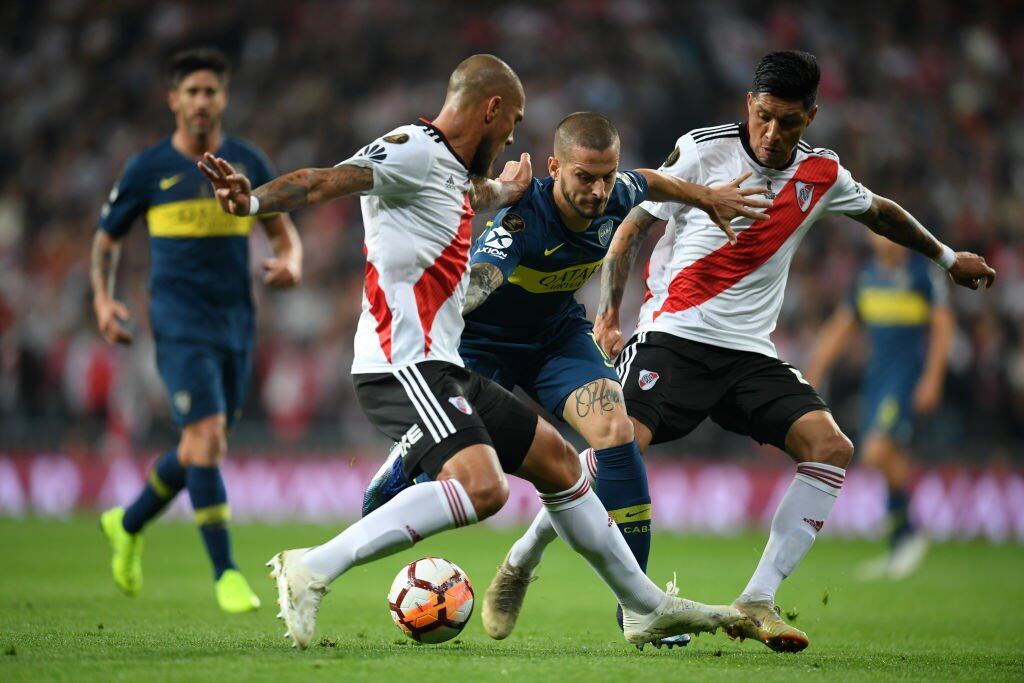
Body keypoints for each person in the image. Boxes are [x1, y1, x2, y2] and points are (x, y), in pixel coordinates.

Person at [201, 54, 743, 650]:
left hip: (448, 365)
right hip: (405, 364)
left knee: (560, 465)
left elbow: (477, 191)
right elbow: (326, 179)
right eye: (511, 121)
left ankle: (645, 607)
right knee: (486, 490)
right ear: (491, 110)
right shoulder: (409, 147)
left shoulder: (453, 169)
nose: (513, 134)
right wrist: (251, 203)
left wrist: (501, 188)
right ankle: (312, 568)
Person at [492, 50, 997, 653]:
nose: (773, 133)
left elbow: (880, 212)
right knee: (613, 451)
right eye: (764, 116)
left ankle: (757, 598)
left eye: (789, 121)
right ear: (748, 106)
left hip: (750, 354)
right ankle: (522, 562)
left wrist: (946, 258)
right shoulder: (702, 151)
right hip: (673, 340)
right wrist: (608, 315)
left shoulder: (821, 175)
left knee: (831, 446)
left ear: (811, 116)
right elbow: (630, 227)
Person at [359, 111, 770, 647]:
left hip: (556, 338)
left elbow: (654, 180)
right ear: (555, 167)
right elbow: (477, 285)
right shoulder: (520, 223)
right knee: (456, 475)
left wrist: (706, 197)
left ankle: (637, 608)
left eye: (606, 176)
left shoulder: (617, 192)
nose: (599, 191)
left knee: (616, 434)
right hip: (483, 346)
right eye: (585, 178)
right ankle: (407, 458)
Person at [94, 48, 303, 612]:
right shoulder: (147, 169)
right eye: (192, 91)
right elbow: (107, 239)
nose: (202, 101)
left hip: (236, 322)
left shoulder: (246, 160)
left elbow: (283, 232)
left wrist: (292, 262)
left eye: (211, 91)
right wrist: (102, 298)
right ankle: (226, 572)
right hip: (178, 322)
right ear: (174, 100)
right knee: (206, 438)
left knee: (199, 445)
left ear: (223, 99)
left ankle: (127, 522)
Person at [804, 233, 953, 579]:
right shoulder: (867, 278)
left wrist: (932, 378)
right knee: (889, 456)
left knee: (875, 452)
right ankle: (901, 541)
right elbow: (839, 328)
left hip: (905, 378)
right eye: (878, 232)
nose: (885, 239)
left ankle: (910, 533)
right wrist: (813, 372)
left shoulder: (921, 275)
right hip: (877, 379)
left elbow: (943, 326)